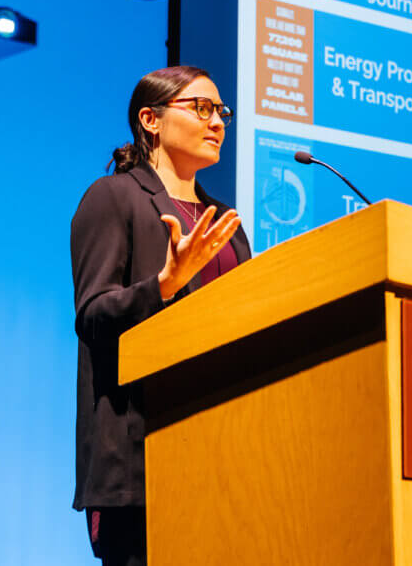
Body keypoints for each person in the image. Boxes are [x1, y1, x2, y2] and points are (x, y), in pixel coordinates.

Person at [70, 66, 251, 566]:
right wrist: (165, 284)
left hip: (223, 454)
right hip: (140, 458)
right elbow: (94, 315)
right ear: (151, 120)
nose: (217, 122)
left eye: (221, 111)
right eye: (201, 108)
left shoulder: (226, 223)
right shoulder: (113, 197)